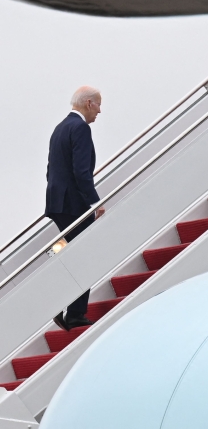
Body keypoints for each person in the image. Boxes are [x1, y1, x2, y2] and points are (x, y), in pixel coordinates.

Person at [45, 86, 103, 331]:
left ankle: (65, 307)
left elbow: (51, 169)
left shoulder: (61, 127)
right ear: (89, 103)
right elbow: (81, 172)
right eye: (99, 105)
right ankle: (74, 312)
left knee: (74, 254)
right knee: (85, 254)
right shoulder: (80, 128)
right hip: (73, 203)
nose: (100, 111)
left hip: (58, 201)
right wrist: (95, 202)